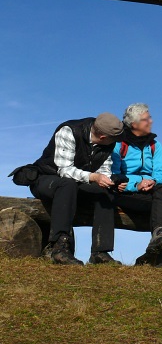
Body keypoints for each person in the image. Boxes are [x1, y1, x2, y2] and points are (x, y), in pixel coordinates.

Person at [30, 113, 124, 265]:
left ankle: (100, 252)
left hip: (77, 185)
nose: (117, 142)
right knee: (67, 183)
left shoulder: (108, 144)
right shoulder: (69, 131)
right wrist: (94, 177)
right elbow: (64, 170)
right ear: (102, 137)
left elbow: (104, 171)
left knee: (105, 191)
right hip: (47, 179)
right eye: (114, 138)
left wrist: (110, 181)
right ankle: (60, 247)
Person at [110, 103, 162, 267]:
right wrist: (136, 185)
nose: (151, 121)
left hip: (150, 191)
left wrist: (152, 181)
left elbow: (161, 173)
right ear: (134, 124)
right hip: (126, 193)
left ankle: (158, 235)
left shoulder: (155, 145)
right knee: (160, 204)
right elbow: (114, 174)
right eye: (146, 119)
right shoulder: (118, 144)